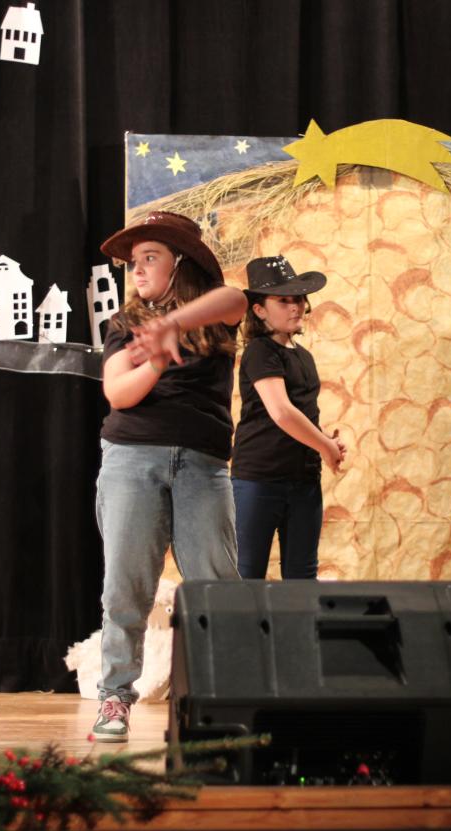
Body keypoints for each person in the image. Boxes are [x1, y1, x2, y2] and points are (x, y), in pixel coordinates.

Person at [93, 211, 247, 742]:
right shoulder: (123, 323)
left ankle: (222, 697)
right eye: (133, 262)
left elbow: (235, 299)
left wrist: (174, 325)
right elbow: (118, 393)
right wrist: (156, 358)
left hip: (202, 465)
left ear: (180, 263)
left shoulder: (214, 312)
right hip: (132, 459)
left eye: (150, 257)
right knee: (126, 585)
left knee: (215, 584)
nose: (137, 269)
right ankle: (115, 696)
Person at [230, 256, 345, 581]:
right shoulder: (260, 351)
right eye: (283, 300)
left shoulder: (303, 356)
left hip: (304, 481)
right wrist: (325, 446)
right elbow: (281, 412)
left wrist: (325, 439)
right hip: (259, 480)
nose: (295, 307)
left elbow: (301, 412)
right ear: (259, 310)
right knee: (247, 575)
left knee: (302, 578)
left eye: (298, 299)